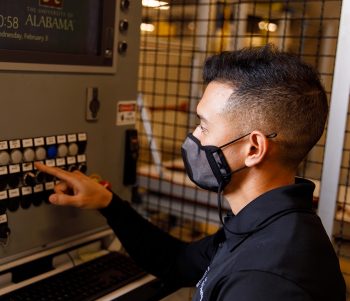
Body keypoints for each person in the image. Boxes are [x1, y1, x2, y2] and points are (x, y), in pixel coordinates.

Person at [35, 45, 346, 301]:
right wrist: (108, 203)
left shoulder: (265, 281)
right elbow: (177, 263)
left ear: (253, 149)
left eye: (204, 125)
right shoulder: (266, 225)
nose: (194, 137)